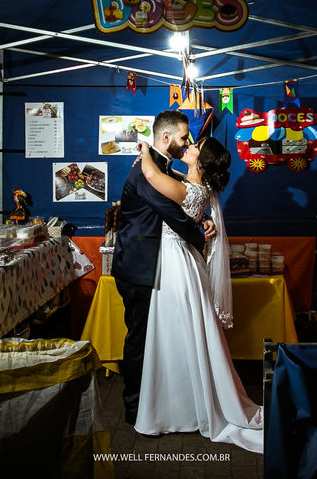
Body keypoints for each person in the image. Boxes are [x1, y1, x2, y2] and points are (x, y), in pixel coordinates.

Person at [132, 135, 263, 453]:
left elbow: (152, 176)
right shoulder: (193, 185)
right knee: (181, 330)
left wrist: (145, 148)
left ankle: (177, 409)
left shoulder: (190, 190)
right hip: (182, 259)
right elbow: (169, 175)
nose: (188, 146)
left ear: (201, 162)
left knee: (175, 329)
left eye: (195, 147)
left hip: (178, 264)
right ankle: (185, 404)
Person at [112, 111, 213, 427]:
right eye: (184, 137)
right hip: (139, 266)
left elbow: (182, 203)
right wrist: (199, 237)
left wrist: (201, 218)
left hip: (152, 263)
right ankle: (134, 407)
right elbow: (171, 211)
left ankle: (155, 401)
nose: (187, 143)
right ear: (166, 137)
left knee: (149, 338)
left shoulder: (158, 166)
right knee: (139, 339)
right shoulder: (147, 171)